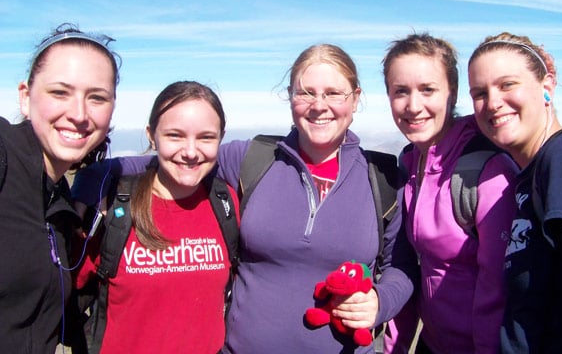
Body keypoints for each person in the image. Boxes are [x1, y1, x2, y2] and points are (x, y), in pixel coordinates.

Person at [71, 44, 416, 353]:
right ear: (290, 98)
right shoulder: (253, 158)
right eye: (306, 92)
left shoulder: (382, 178)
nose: (319, 106)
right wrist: (82, 191)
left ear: (355, 99)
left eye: (334, 93)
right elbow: (178, 158)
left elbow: (400, 266)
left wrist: (380, 302)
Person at [72, 81, 239, 354]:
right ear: (152, 136)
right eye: (174, 135)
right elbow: (59, 292)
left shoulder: (225, 203)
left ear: (221, 138)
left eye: (206, 137)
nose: (190, 151)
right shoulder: (110, 207)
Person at [382, 33, 519, 354]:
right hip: (432, 343)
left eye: (427, 90)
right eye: (400, 91)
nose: (413, 106)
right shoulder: (409, 161)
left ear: (452, 93)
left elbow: (497, 288)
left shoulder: (486, 170)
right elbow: (410, 268)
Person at [468, 32, 562, 354]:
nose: (493, 102)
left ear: (547, 85)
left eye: (507, 84)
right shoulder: (529, 177)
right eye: (480, 93)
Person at [0, 23, 119, 354]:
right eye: (60, 93)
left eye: (96, 97)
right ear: (26, 97)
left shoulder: (59, 206)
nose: (79, 114)